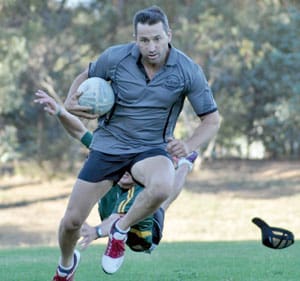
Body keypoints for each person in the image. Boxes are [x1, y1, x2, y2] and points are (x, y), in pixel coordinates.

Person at [50, 5, 220, 280]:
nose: (151, 46)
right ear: (135, 39)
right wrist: (70, 99)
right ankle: (66, 264)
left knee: (163, 185)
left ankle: (120, 230)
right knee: (71, 221)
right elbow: (87, 73)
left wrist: (188, 145)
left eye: (157, 38)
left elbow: (212, 120)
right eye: (144, 40)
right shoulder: (115, 58)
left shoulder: (187, 70)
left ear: (168, 35)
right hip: (108, 146)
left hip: (150, 148)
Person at [34, 90, 198, 254]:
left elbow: (117, 219)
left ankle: (183, 165)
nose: (125, 170)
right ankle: (181, 163)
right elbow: (80, 131)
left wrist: (96, 232)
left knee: (162, 203)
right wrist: (60, 111)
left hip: (142, 237)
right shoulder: (110, 158)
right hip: (115, 218)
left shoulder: (138, 189)